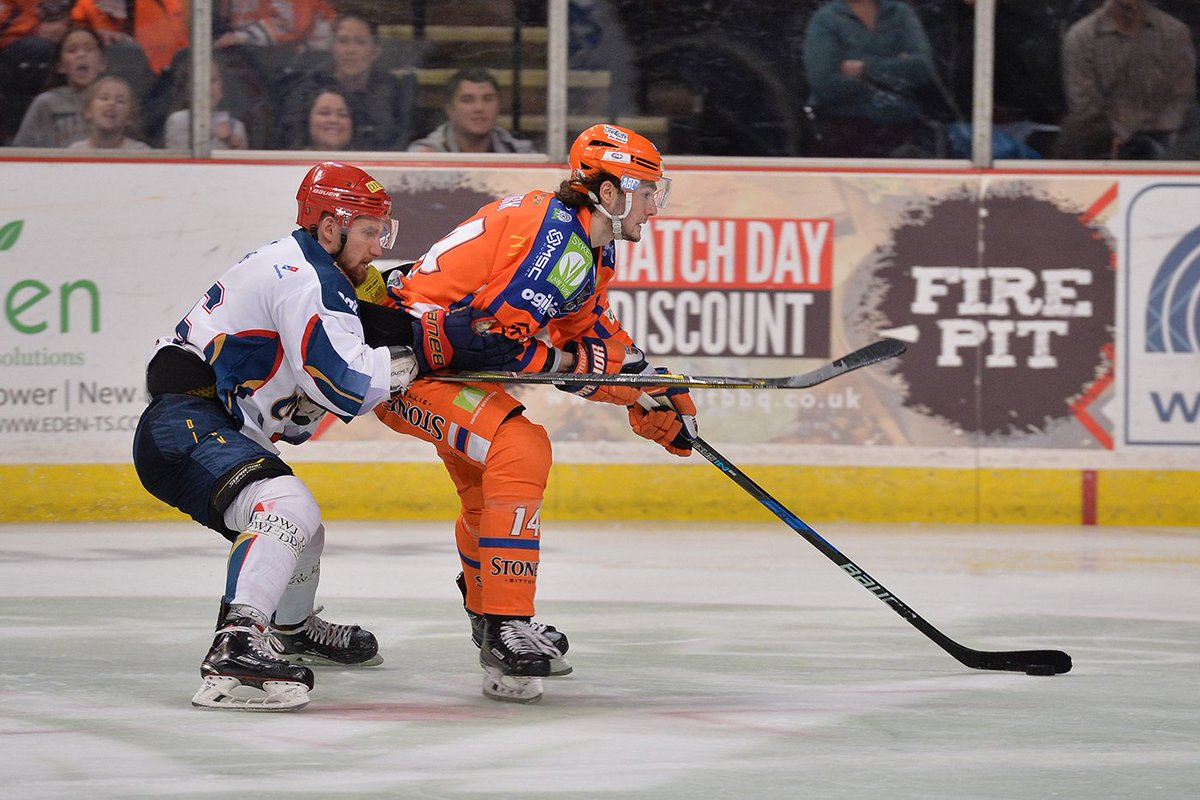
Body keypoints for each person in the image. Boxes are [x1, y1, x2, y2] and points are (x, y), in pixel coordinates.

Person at [131, 162, 523, 711]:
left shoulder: (310, 270)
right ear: (329, 226)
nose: (376, 246)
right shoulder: (306, 277)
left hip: (201, 423)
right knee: (288, 505)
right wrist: (431, 350)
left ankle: (290, 627)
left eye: (381, 230)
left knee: (296, 530)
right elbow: (346, 385)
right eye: (368, 230)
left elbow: (316, 391)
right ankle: (237, 644)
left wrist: (416, 337)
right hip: (187, 424)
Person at [376, 124, 697, 704]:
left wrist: (651, 387)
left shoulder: (589, 245)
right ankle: (505, 626)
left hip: (444, 370)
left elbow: (591, 334)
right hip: (408, 370)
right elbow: (494, 344)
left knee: (485, 490)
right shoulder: (555, 244)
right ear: (607, 191)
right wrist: (612, 381)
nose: (654, 206)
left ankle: (492, 622)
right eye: (646, 191)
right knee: (519, 447)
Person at [1056, 0, 1196, 159]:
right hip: (1098, 150)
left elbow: (1182, 97)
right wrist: (1118, 140)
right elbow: (1084, 107)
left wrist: (1153, 137)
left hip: (1167, 147)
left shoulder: (1175, 34)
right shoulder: (1081, 37)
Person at [802, 0, 936, 158]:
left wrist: (866, 67)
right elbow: (825, 84)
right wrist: (895, 72)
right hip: (843, 137)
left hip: (905, 137)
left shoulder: (900, 13)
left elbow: (922, 69)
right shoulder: (825, 19)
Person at [277, 14, 413, 150]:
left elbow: (399, 143)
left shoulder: (393, 91)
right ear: (332, 47)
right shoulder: (307, 88)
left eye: (360, 42)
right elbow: (292, 141)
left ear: (375, 51)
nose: (350, 50)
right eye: (343, 41)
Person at [12, 25, 105, 147]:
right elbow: (23, 151)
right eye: (72, 50)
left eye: (88, 49)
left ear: (102, 63)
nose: (81, 54)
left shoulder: (115, 101)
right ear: (60, 66)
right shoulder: (45, 103)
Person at [407, 67, 535, 154]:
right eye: (468, 100)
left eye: (488, 99)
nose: (479, 108)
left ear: (499, 107)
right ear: (450, 110)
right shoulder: (424, 155)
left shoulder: (521, 153)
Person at [162, 58, 248, 150]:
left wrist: (238, 148)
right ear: (187, 90)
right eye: (200, 80)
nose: (207, 86)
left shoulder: (236, 126)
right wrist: (219, 140)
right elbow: (181, 161)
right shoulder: (178, 121)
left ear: (222, 88)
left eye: (213, 80)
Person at [67, 73, 149, 149]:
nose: (111, 103)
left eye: (120, 101)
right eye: (104, 98)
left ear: (130, 118)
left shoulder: (141, 152)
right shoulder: (76, 151)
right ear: (88, 111)